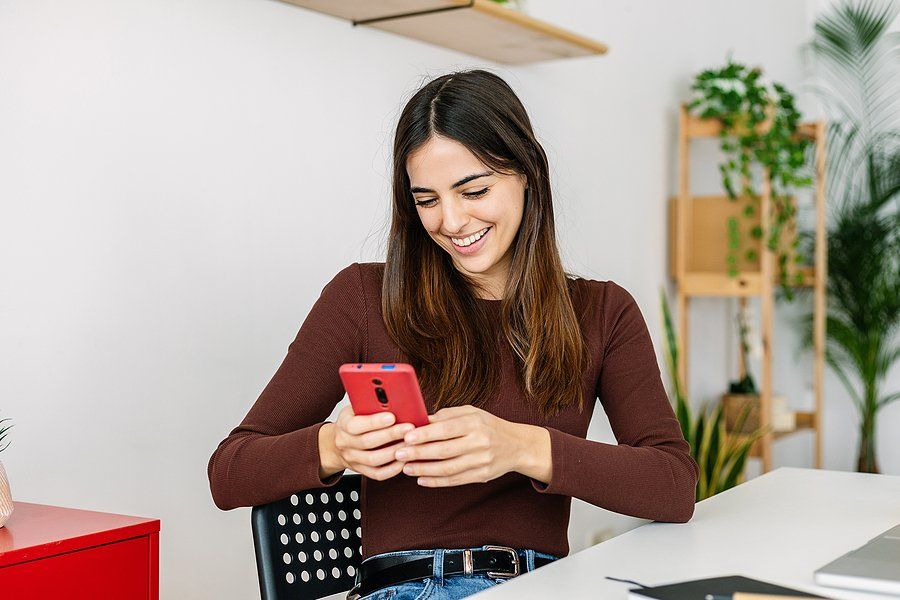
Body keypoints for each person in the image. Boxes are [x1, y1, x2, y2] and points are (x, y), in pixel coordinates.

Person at [207, 69, 698, 600]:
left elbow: (674, 485)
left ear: (527, 173)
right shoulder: (362, 298)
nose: (452, 220)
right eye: (427, 200)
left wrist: (523, 447)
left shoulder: (601, 311)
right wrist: (336, 446)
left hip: (542, 585)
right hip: (404, 588)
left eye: (474, 190)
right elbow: (230, 471)